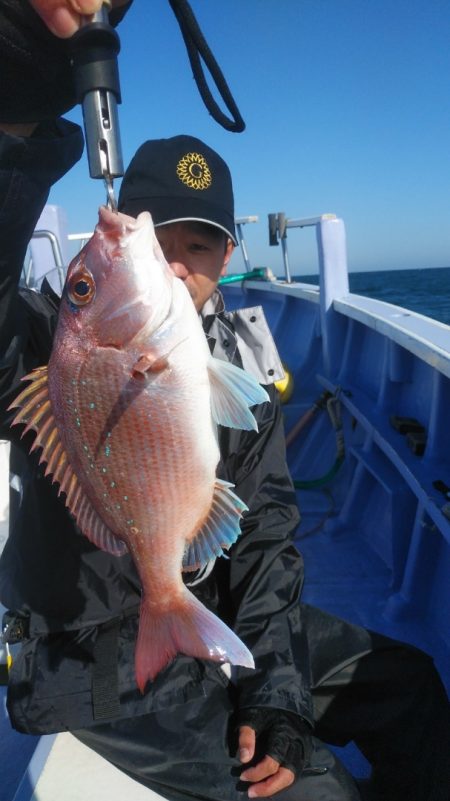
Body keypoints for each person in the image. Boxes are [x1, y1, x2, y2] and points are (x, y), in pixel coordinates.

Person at [0, 4, 448, 801]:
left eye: (198, 245)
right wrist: (20, 81)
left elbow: (269, 541)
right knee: (317, 791)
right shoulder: (53, 348)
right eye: (156, 240)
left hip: (206, 608)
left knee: (407, 682)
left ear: (228, 255)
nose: (175, 267)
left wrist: (275, 690)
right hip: (89, 656)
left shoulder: (241, 378)